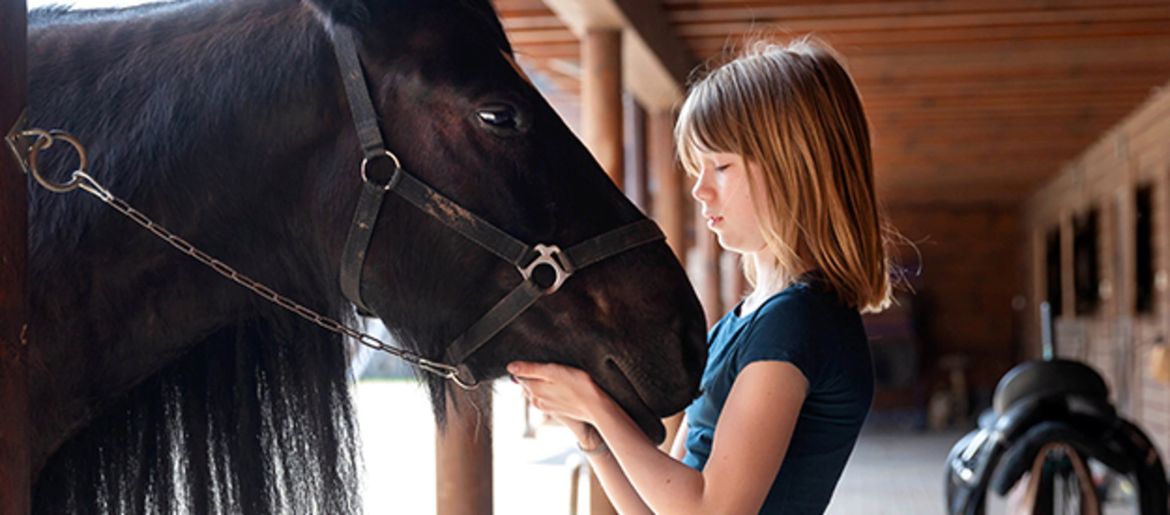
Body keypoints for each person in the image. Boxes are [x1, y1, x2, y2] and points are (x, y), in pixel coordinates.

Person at [508, 36, 896, 514]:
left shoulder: (797, 324)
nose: (699, 189)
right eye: (697, 167)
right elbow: (660, 508)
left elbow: (711, 511)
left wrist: (596, 405)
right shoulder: (748, 321)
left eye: (721, 166)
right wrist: (590, 433)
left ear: (793, 167)